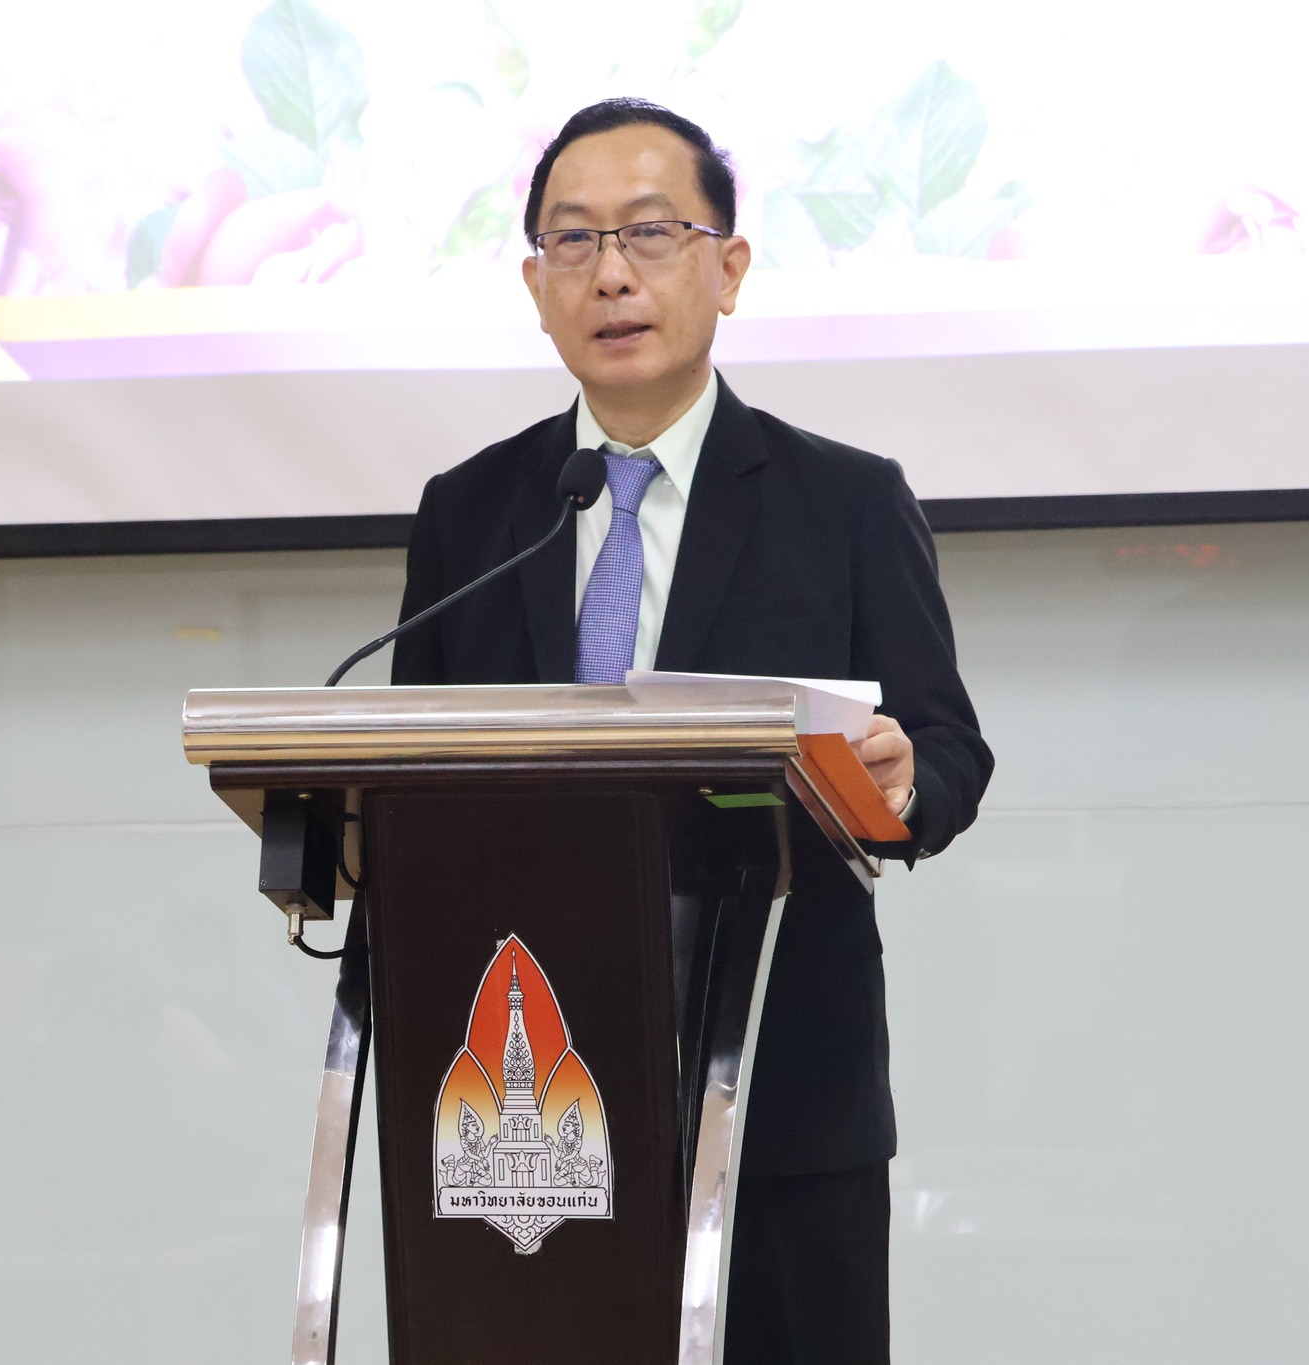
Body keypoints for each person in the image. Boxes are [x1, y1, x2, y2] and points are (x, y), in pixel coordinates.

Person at [391, 97, 992, 1363]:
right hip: (527, 1103)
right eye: (572, 241)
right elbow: (407, 783)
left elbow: (948, 750)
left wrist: (901, 779)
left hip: (780, 1091)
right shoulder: (472, 512)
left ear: (728, 269)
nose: (609, 274)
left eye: (649, 233)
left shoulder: (842, 500)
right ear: (535, 287)